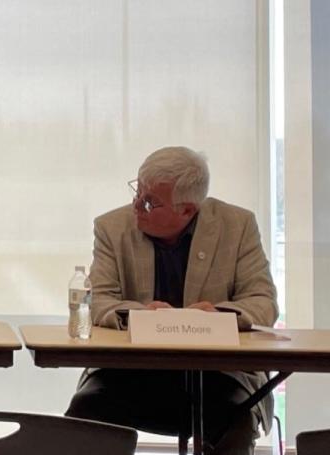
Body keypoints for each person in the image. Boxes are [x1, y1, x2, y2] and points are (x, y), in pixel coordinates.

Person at [64, 146, 278, 455]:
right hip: (127, 371)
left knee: (236, 422)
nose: (136, 205)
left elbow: (263, 302)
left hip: (220, 374)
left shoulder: (238, 225)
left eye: (150, 202)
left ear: (187, 210)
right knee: (84, 413)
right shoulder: (112, 227)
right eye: (137, 191)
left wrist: (218, 315)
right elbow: (98, 300)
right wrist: (140, 316)